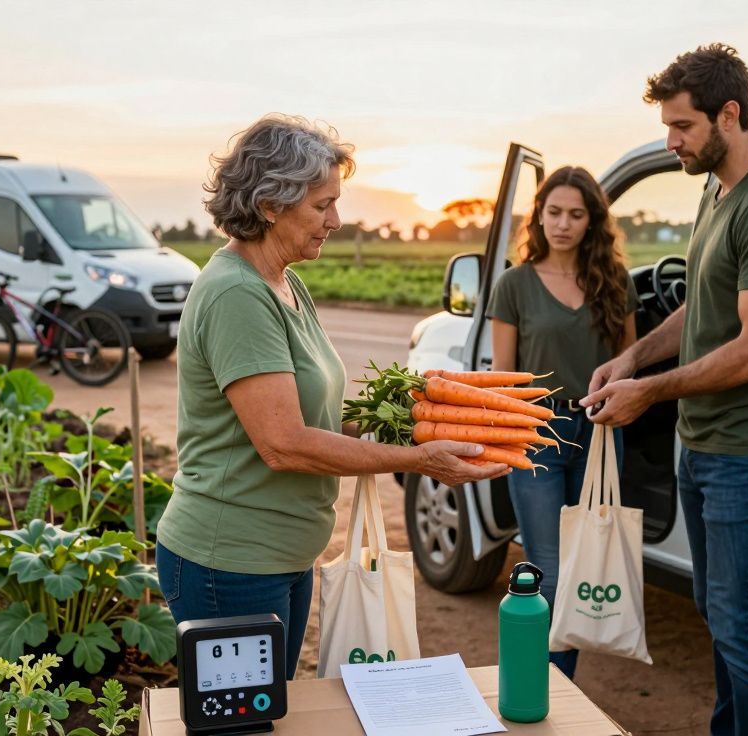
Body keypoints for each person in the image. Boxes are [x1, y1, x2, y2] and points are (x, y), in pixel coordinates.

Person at [155, 114, 509, 679]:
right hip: (230, 563)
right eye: (322, 206)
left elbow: (315, 413)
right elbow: (286, 445)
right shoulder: (235, 296)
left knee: (274, 712)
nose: (335, 220)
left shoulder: (284, 281)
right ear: (271, 204)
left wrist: (419, 418)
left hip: (280, 557)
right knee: (246, 725)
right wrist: (420, 460)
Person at [582, 45, 748, 735]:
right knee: (721, 617)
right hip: (707, 442)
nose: (671, 142)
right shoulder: (717, 190)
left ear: (729, 113)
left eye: (682, 127)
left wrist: (650, 393)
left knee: (744, 628)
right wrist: (634, 357)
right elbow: (704, 309)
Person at [488, 165, 638, 680]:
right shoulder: (515, 284)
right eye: (554, 212)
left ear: (592, 221)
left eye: (576, 214)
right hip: (538, 435)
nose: (563, 224)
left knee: (585, 567)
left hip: (600, 434)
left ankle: (558, 690)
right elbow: (504, 379)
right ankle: (542, 685)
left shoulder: (613, 281)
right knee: (548, 571)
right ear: (540, 217)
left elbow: (627, 362)